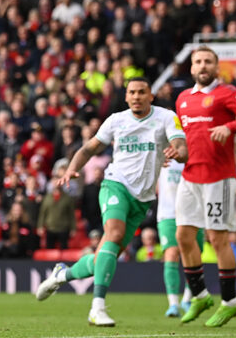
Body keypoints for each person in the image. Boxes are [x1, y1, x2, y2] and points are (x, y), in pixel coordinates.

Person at [36, 77, 188, 327]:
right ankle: (97, 307)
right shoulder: (116, 120)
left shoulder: (165, 117)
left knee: (102, 259)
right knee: (114, 235)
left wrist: (178, 152)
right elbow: (88, 149)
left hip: (143, 198)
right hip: (115, 184)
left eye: (142, 92)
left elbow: (181, 147)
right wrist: (71, 169)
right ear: (126, 97)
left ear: (151, 96)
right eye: (132, 92)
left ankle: (61, 275)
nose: (137, 96)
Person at [175, 46, 236, 326]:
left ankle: (229, 302)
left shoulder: (227, 92)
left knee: (217, 238)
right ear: (191, 67)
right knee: (184, 237)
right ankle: (199, 296)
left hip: (219, 177)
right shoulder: (183, 99)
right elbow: (189, 139)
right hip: (189, 176)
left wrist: (230, 128)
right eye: (197, 61)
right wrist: (176, 153)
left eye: (208, 61)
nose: (202, 65)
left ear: (216, 66)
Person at [156, 159, 204, 317]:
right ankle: (173, 304)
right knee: (171, 253)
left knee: (192, 255)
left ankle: (187, 298)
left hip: (193, 212)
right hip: (168, 213)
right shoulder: (163, 157)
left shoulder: (194, 156)